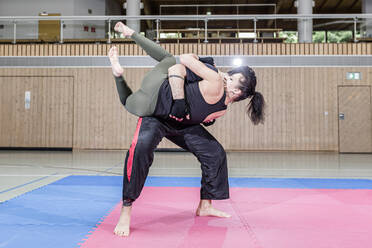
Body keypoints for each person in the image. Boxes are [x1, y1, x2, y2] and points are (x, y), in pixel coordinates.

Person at [110, 22, 266, 237]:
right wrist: (180, 101)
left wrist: (193, 114)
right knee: (140, 148)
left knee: (214, 153)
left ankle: (205, 205)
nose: (227, 76)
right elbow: (179, 63)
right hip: (157, 112)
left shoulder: (222, 109)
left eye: (233, 78)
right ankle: (126, 210)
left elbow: (199, 115)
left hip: (180, 123)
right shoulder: (214, 79)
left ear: (238, 93)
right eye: (230, 74)